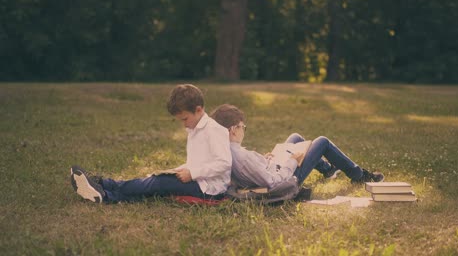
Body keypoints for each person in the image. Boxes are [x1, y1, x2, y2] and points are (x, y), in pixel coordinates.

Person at [70, 84, 232, 203]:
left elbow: (224, 163)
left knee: (159, 183)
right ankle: (105, 194)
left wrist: (193, 173)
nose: (184, 125)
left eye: (184, 119)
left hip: (210, 189)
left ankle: (105, 185)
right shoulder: (196, 128)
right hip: (200, 181)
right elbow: (199, 161)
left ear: (198, 110)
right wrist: (180, 170)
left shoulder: (214, 130)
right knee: (157, 181)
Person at [210, 104, 383, 191]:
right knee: (322, 141)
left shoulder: (227, 150)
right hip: (286, 179)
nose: (244, 130)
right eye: (242, 127)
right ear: (233, 130)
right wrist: (292, 161)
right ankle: (359, 175)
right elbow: (273, 182)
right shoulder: (241, 157)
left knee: (296, 138)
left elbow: (254, 170)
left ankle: (328, 170)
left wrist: (266, 159)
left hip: (273, 168)